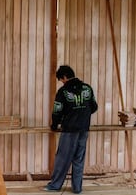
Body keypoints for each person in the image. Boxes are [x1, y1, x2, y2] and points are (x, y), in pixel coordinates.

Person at [43, 65, 98, 194]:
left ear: (65, 77)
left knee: (63, 158)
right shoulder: (87, 88)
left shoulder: (63, 92)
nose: (61, 82)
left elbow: (57, 111)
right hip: (84, 129)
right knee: (79, 158)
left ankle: (55, 186)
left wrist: (54, 125)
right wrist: (82, 114)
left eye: (61, 79)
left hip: (69, 130)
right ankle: (77, 188)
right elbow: (94, 107)